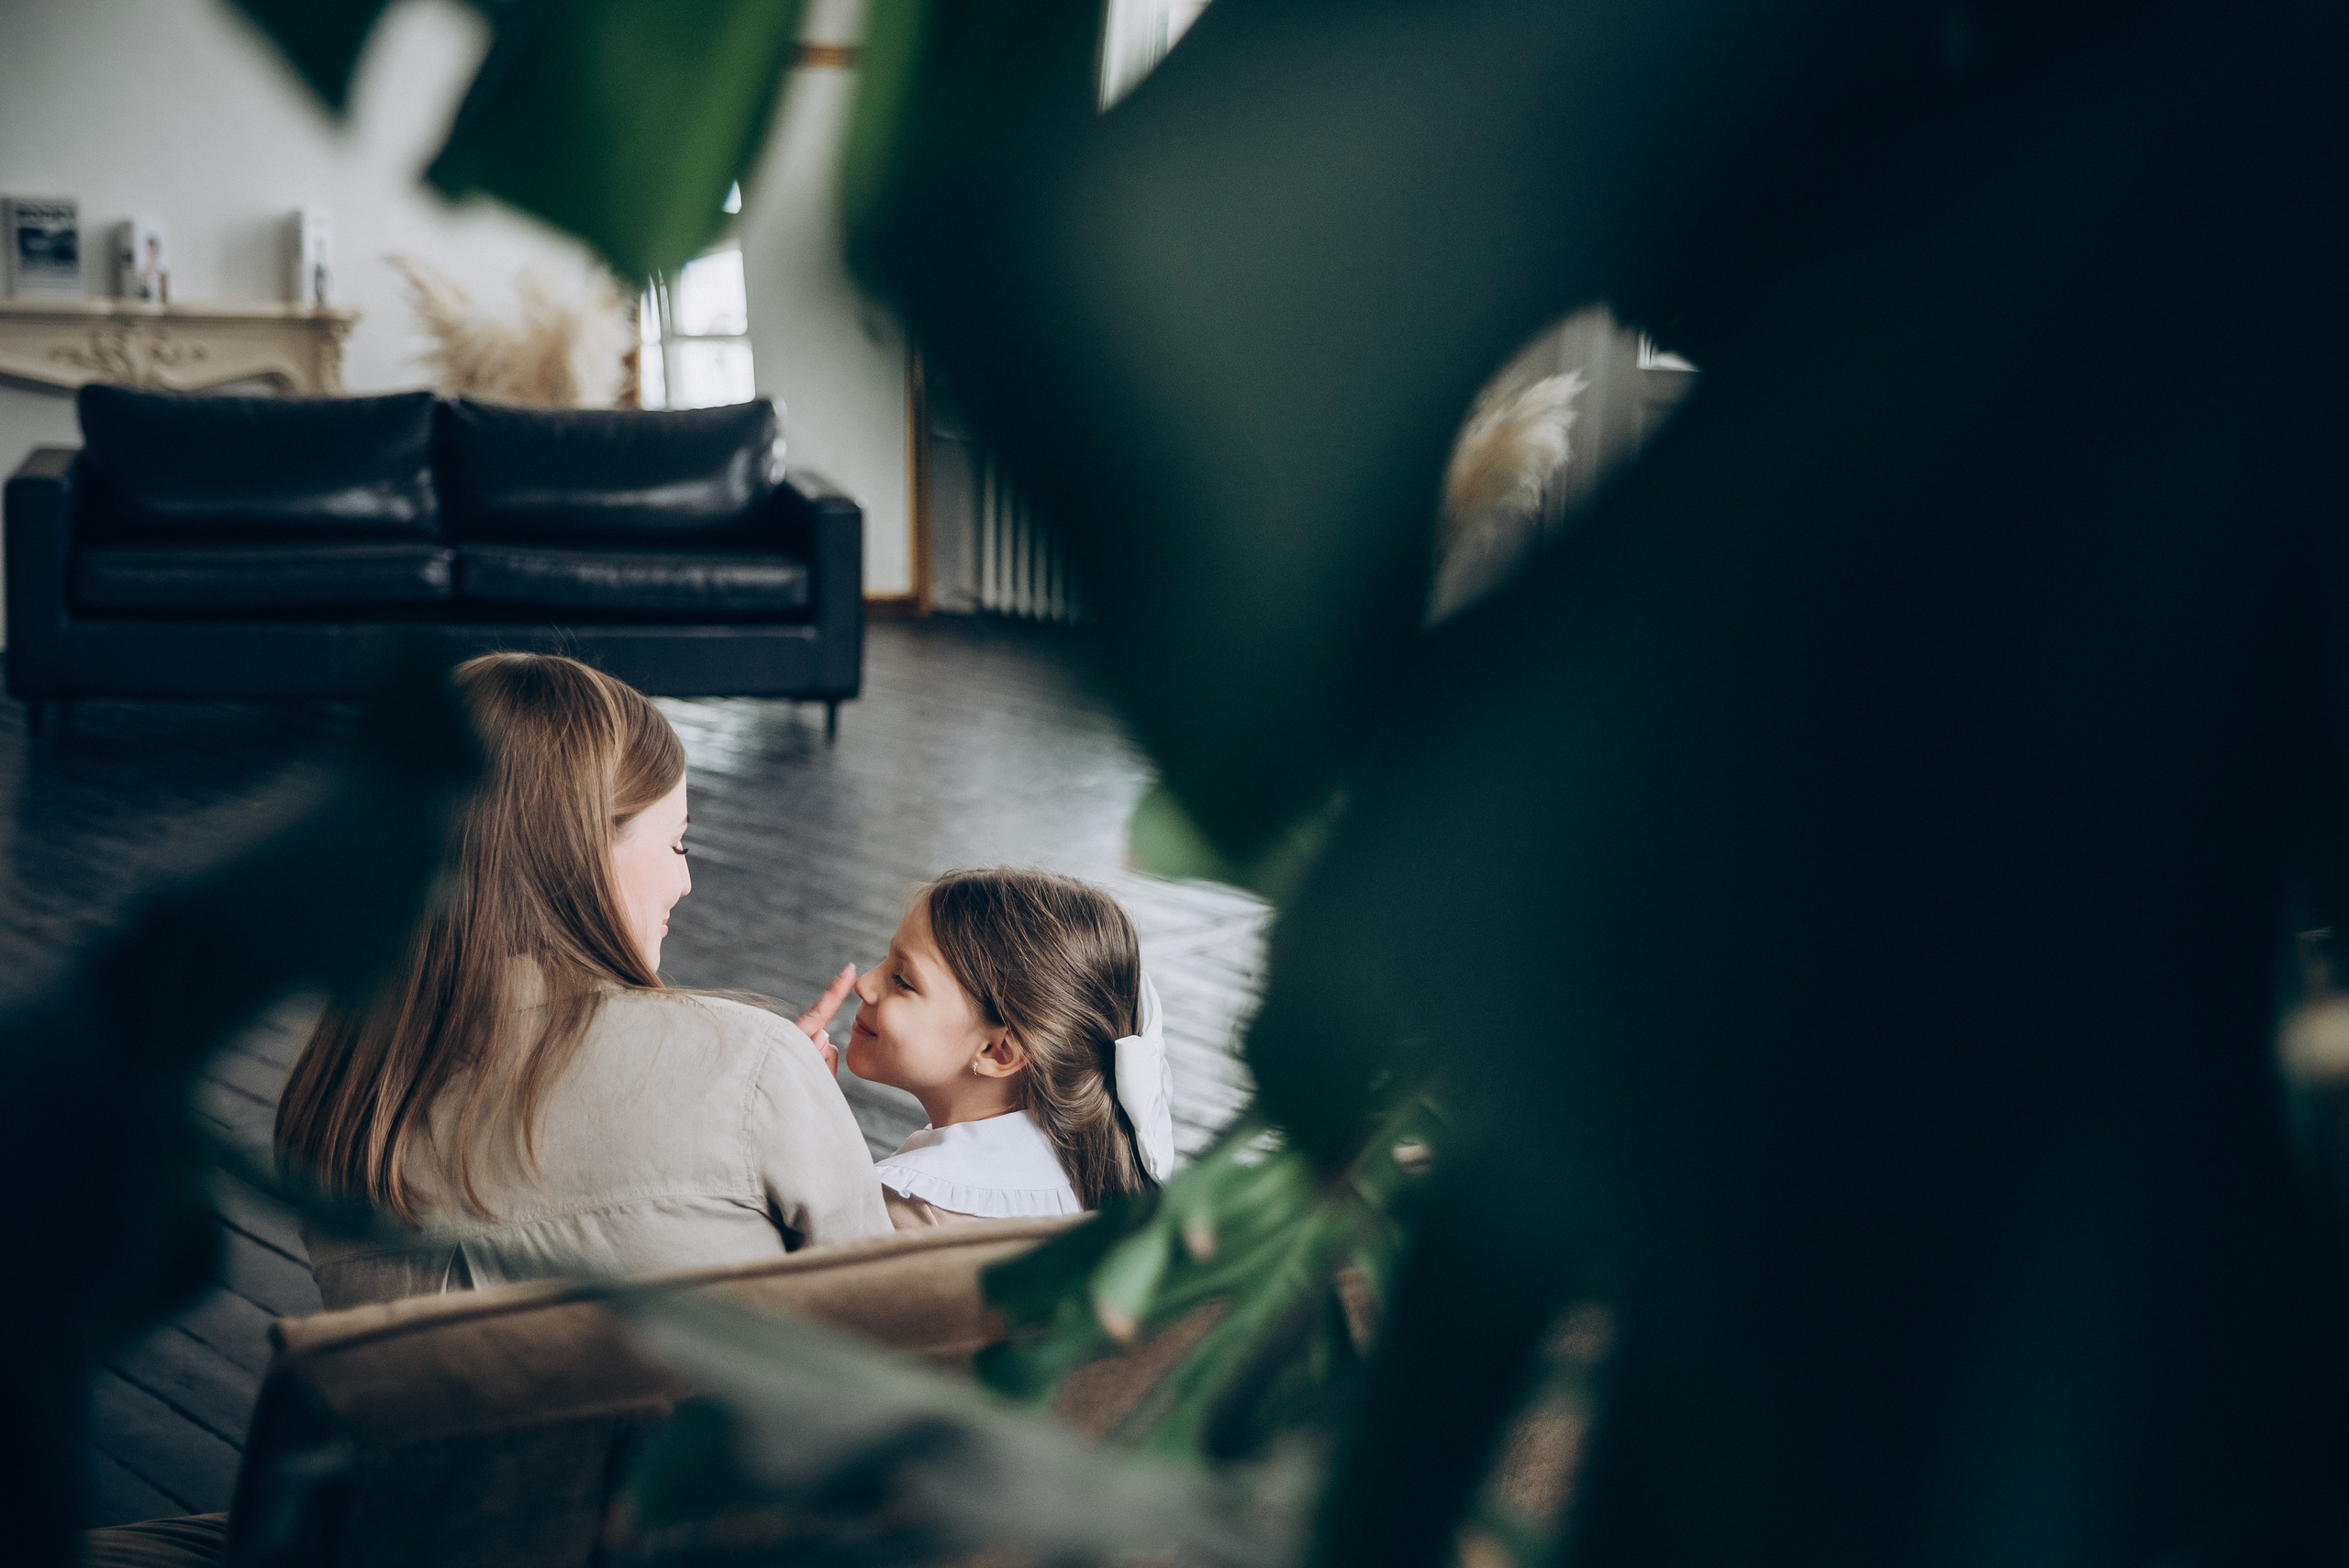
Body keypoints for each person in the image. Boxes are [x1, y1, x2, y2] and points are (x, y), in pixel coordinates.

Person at [276, 652, 889, 1307]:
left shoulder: (331, 1105)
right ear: (582, 846)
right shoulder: (756, 1066)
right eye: (677, 842)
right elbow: (894, 1322)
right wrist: (768, 1090)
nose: (685, 881)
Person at [848, 866, 1174, 1226]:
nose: (864, 983)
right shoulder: (1090, 1174)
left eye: (903, 980)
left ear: (997, 1052)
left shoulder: (909, 1211)